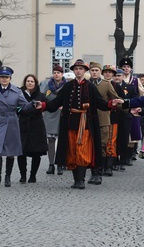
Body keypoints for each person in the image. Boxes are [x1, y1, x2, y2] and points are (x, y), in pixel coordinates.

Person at [37, 59, 123, 189]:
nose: (78, 71)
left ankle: (81, 180)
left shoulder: (90, 86)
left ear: (85, 71)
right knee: (72, 151)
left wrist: (111, 104)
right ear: (73, 71)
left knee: (83, 151)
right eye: (76, 69)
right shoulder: (68, 86)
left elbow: (100, 103)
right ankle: (76, 179)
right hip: (70, 123)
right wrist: (43, 105)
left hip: (86, 125)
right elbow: (56, 102)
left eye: (81, 69)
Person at [0, 66, 36, 187]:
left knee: (10, 151)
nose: (4, 79)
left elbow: (24, 105)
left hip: (11, 122)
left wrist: (33, 104)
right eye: (2, 77)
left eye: (6, 77)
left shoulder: (16, 91)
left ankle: (7, 177)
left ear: (10, 78)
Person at [87, 63, 121, 184]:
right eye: (92, 70)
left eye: (96, 70)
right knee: (90, 146)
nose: (94, 72)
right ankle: (93, 172)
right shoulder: (86, 84)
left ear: (100, 71)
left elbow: (115, 99)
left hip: (103, 119)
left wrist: (128, 108)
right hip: (89, 119)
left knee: (102, 145)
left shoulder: (106, 84)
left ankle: (99, 172)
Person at [17, 74, 48, 184]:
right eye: (28, 81)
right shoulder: (19, 94)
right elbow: (17, 108)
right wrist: (27, 109)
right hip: (23, 124)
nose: (30, 83)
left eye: (32, 81)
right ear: (25, 82)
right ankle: (23, 175)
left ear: (35, 83)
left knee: (36, 152)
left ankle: (33, 175)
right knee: (21, 152)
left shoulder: (40, 95)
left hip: (37, 125)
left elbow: (46, 105)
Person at [39, 65, 68, 175]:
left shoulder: (67, 85)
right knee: (51, 141)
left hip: (63, 114)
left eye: (59, 72)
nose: (56, 74)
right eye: (55, 72)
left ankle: (61, 163)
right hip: (50, 115)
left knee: (63, 140)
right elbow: (43, 98)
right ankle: (51, 164)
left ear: (62, 74)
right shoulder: (46, 85)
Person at [118, 57, 144, 166]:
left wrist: (141, 105)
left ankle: (130, 154)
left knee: (133, 133)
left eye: (128, 67)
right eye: (124, 67)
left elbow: (142, 93)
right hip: (121, 110)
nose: (126, 69)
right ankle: (122, 155)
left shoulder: (135, 80)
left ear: (131, 69)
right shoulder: (118, 79)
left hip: (133, 110)